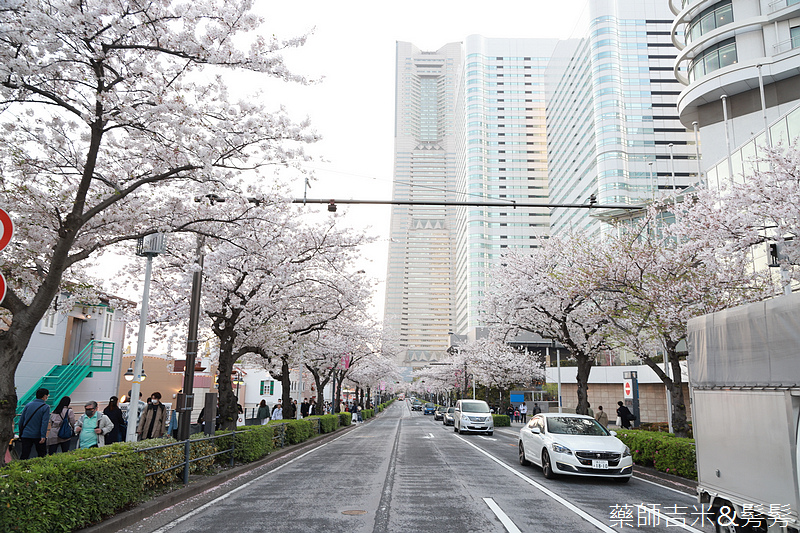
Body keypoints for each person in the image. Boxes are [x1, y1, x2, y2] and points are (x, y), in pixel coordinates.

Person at [18, 387, 51, 459]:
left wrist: (21, 432)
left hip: (26, 434)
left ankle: (21, 469)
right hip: (38, 435)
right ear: (44, 396)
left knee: (25, 454)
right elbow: (44, 423)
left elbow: (21, 420)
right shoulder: (45, 407)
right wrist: (43, 435)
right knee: (42, 455)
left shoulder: (28, 405)